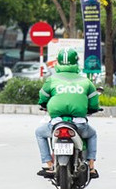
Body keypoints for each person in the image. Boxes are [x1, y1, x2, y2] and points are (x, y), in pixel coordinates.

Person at [35, 48, 100, 179]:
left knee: (39, 133)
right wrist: (93, 109)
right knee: (92, 134)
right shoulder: (86, 82)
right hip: (79, 125)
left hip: (57, 124)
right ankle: (91, 166)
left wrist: (44, 105)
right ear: (76, 62)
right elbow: (94, 104)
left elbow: (42, 98)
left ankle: (49, 164)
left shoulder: (51, 80)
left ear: (58, 62)